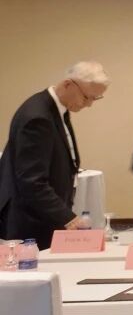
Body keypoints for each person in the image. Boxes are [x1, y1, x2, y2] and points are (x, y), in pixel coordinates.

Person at [0, 61, 109, 249]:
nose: (89, 104)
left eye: (95, 99)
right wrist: (68, 218)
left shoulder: (56, 109)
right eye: (86, 97)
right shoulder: (38, 117)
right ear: (68, 84)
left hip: (42, 215)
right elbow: (32, 181)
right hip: (30, 220)